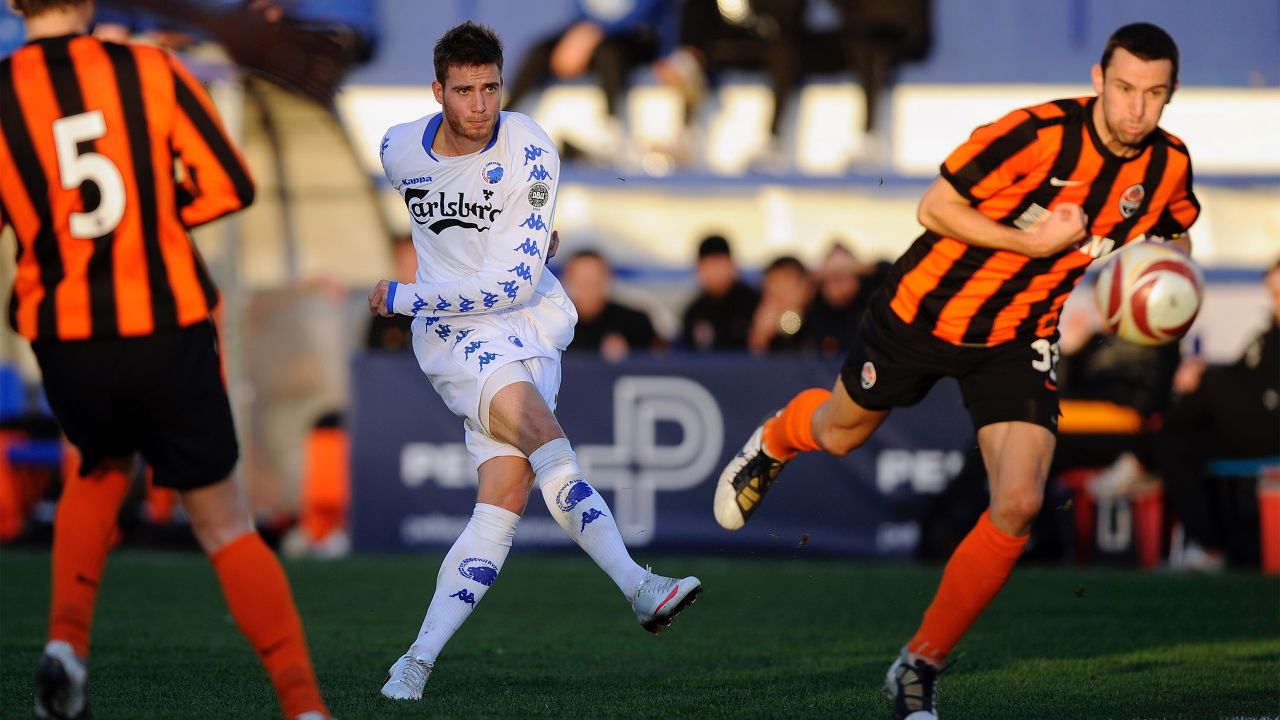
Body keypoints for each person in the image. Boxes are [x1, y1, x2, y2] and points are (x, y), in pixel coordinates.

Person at [711, 22, 1198, 719]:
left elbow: (1176, 230)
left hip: (1019, 335)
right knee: (841, 433)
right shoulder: (1036, 136)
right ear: (1098, 79)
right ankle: (778, 440)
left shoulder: (1167, 165)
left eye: (1154, 95)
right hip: (923, 313)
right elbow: (933, 207)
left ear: (1169, 95)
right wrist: (1031, 241)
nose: (1136, 109)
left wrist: (1167, 283)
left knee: (1021, 502)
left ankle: (919, 665)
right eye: (1124, 89)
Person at [0, 1, 332, 718]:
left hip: (67, 335)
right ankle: (304, 707)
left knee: (96, 462)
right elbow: (228, 184)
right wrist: (146, 214)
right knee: (224, 525)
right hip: (166, 324)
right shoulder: (147, 67)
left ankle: (64, 643)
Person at [367, 22, 701, 702]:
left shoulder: (530, 147)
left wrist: (407, 293)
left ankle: (415, 662)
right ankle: (639, 587)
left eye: (491, 87)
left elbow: (518, 281)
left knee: (504, 501)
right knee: (546, 436)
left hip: (530, 320)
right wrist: (429, 297)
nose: (480, 105)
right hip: (455, 334)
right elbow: (446, 230)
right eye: (464, 91)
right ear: (439, 91)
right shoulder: (398, 148)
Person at [1157, 259, 1280, 569]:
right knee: (1175, 447)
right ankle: (1211, 546)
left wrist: (1207, 375)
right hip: (1249, 428)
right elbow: (1241, 376)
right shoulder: (1264, 336)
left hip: (1271, 428)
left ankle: (1138, 453)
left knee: (1208, 382)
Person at [561, 248, 662, 359]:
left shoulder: (636, 322)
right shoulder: (553, 324)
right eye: (581, 280)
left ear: (607, 278)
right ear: (567, 280)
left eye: (594, 280)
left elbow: (662, 358)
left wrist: (629, 355)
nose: (588, 287)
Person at [679, 234, 759, 351]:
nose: (714, 272)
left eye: (719, 264)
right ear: (698, 269)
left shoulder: (755, 303)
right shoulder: (694, 312)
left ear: (732, 265)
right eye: (708, 266)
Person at [747, 255, 814, 354]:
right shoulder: (766, 323)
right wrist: (760, 337)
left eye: (785, 291)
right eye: (771, 294)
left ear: (805, 286)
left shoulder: (822, 315)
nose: (778, 301)